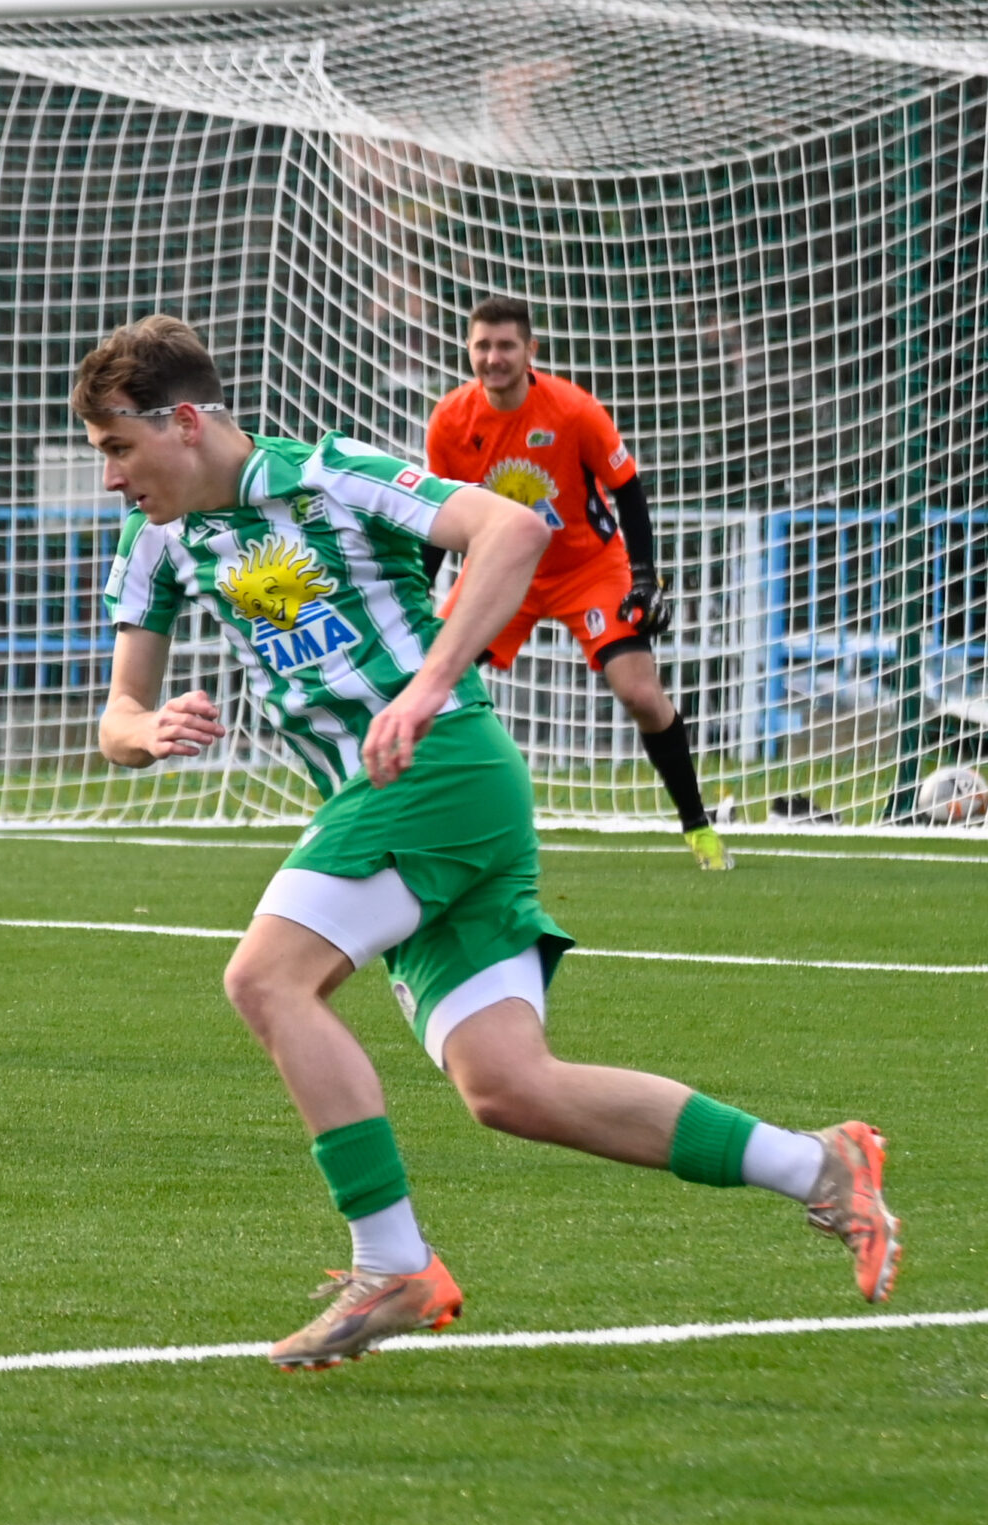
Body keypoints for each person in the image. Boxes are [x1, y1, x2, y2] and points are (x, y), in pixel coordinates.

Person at [80, 315, 899, 1371]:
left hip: (442, 767)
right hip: (386, 797)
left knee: (265, 979)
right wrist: (146, 730)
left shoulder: (327, 475)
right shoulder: (154, 540)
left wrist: (426, 688)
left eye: (117, 447)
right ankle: (818, 1165)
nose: (111, 477)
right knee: (508, 1085)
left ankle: (393, 1264)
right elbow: (116, 715)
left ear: (184, 423)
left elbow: (512, 530)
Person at [425, 297, 731, 869]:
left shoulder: (572, 409)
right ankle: (431, 825)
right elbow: (438, 512)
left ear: (531, 351)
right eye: (483, 346)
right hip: (501, 568)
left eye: (506, 345)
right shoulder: (449, 419)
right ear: (468, 350)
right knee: (428, 679)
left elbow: (627, 488)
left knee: (640, 694)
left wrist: (645, 577)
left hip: (586, 568)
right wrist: (415, 588)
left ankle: (698, 827)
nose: (493, 358)